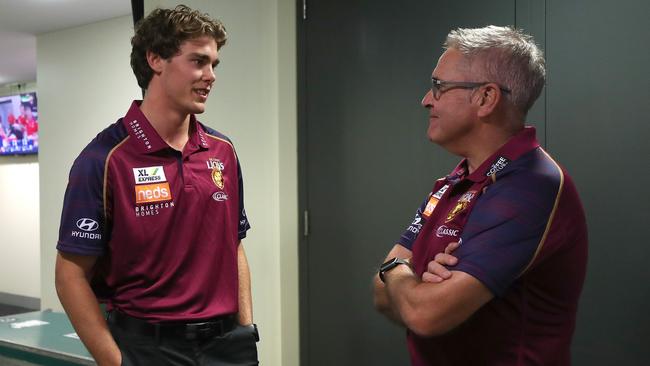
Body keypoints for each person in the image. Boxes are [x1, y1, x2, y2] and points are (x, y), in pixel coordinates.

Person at [55, 5, 258, 366]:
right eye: (198, 61)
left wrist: (246, 327)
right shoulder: (103, 159)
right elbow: (70, 274)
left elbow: (234, 245)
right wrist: (115, 361)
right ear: (155, 59)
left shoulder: (223, 151)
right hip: (148, 348)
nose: (210, 76)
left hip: (228, 347)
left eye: (214, 64)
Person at [373, 25, 588, 365]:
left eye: (439, 87)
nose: (426, 99)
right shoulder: (453, 182)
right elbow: (380, 294)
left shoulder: (531, 186)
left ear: (486, 98)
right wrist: (409, 278)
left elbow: (425, 313)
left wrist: (399, 269)